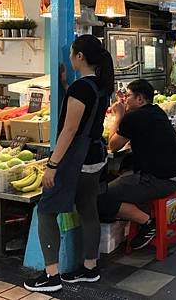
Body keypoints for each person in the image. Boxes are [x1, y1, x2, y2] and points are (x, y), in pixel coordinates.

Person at [24, 35, 114, 293]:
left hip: (75, 159)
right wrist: (64, 84)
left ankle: (51, 275)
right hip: (96, 158)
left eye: (73, 53)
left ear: (80, 57)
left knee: (46, 211)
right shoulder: (100, 85)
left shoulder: (81, 88)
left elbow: (70, 128)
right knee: (88, 209)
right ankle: (89, 268)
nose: (70, 57)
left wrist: (52, 165)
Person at [99, 79, 176, 250]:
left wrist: (119, 115)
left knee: (99, 198)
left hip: (158, 181)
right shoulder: (156, 111)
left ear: (140, 99)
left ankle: (147, 223)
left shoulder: (135, 116)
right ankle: (141, 218)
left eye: (128, 96)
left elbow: (113, 145)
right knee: (122, 178)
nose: (125, 100)